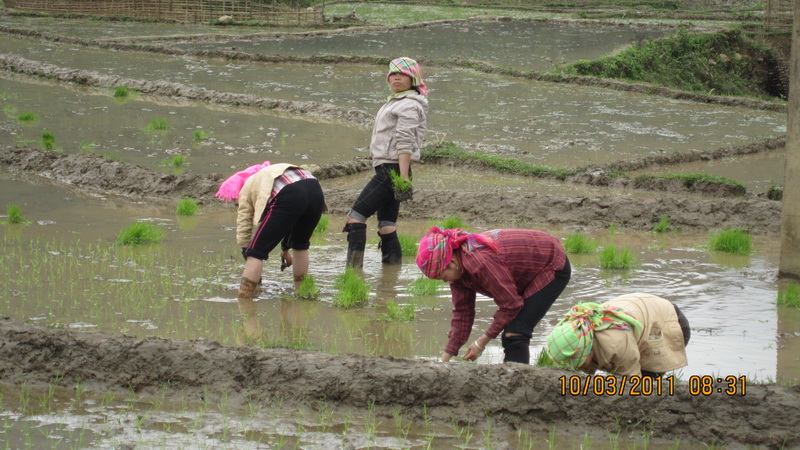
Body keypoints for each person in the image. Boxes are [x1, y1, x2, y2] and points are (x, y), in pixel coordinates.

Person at [416, 227, 571, 364]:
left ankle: (517, 387)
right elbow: (462, 313)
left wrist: (481, 342)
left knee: (515, 331)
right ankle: (513, 382)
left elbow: (511, 305)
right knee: (513, 329)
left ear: (452, 262)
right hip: (524, 270)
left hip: (551, 262)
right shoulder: (458, 274)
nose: (445, 282)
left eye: (443, 277)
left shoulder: (479, 263)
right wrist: (444, 359)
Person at [343, 56, 429, 268]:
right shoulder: (398, 101)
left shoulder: (409, 104)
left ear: (414, 80)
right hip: (393, 169)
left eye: (403, 75)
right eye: (393, 74)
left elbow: (405, 141)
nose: (397, 78)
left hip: (391, 170)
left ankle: (353, 274)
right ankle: (391, 277)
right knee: (387, 225)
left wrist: (401, 177)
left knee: (355, 219)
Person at [215, 161, 326, 304]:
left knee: (256, 252)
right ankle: (302, 292)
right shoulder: (273, 171)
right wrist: (285, 249)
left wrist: (246, 251)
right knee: (300, 244)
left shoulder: (247, 187)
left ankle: (244, 299)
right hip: (315, 189)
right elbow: (290, 217)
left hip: (289, 192)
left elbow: (244, 222)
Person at [546, 293, 690, 378]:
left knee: (647, 383)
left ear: (588, 348)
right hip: (641, 309)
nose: (576, 366)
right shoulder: (577, 327)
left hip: (668, 321)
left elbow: (631, 380)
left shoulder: (615, 343)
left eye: (578, 361)